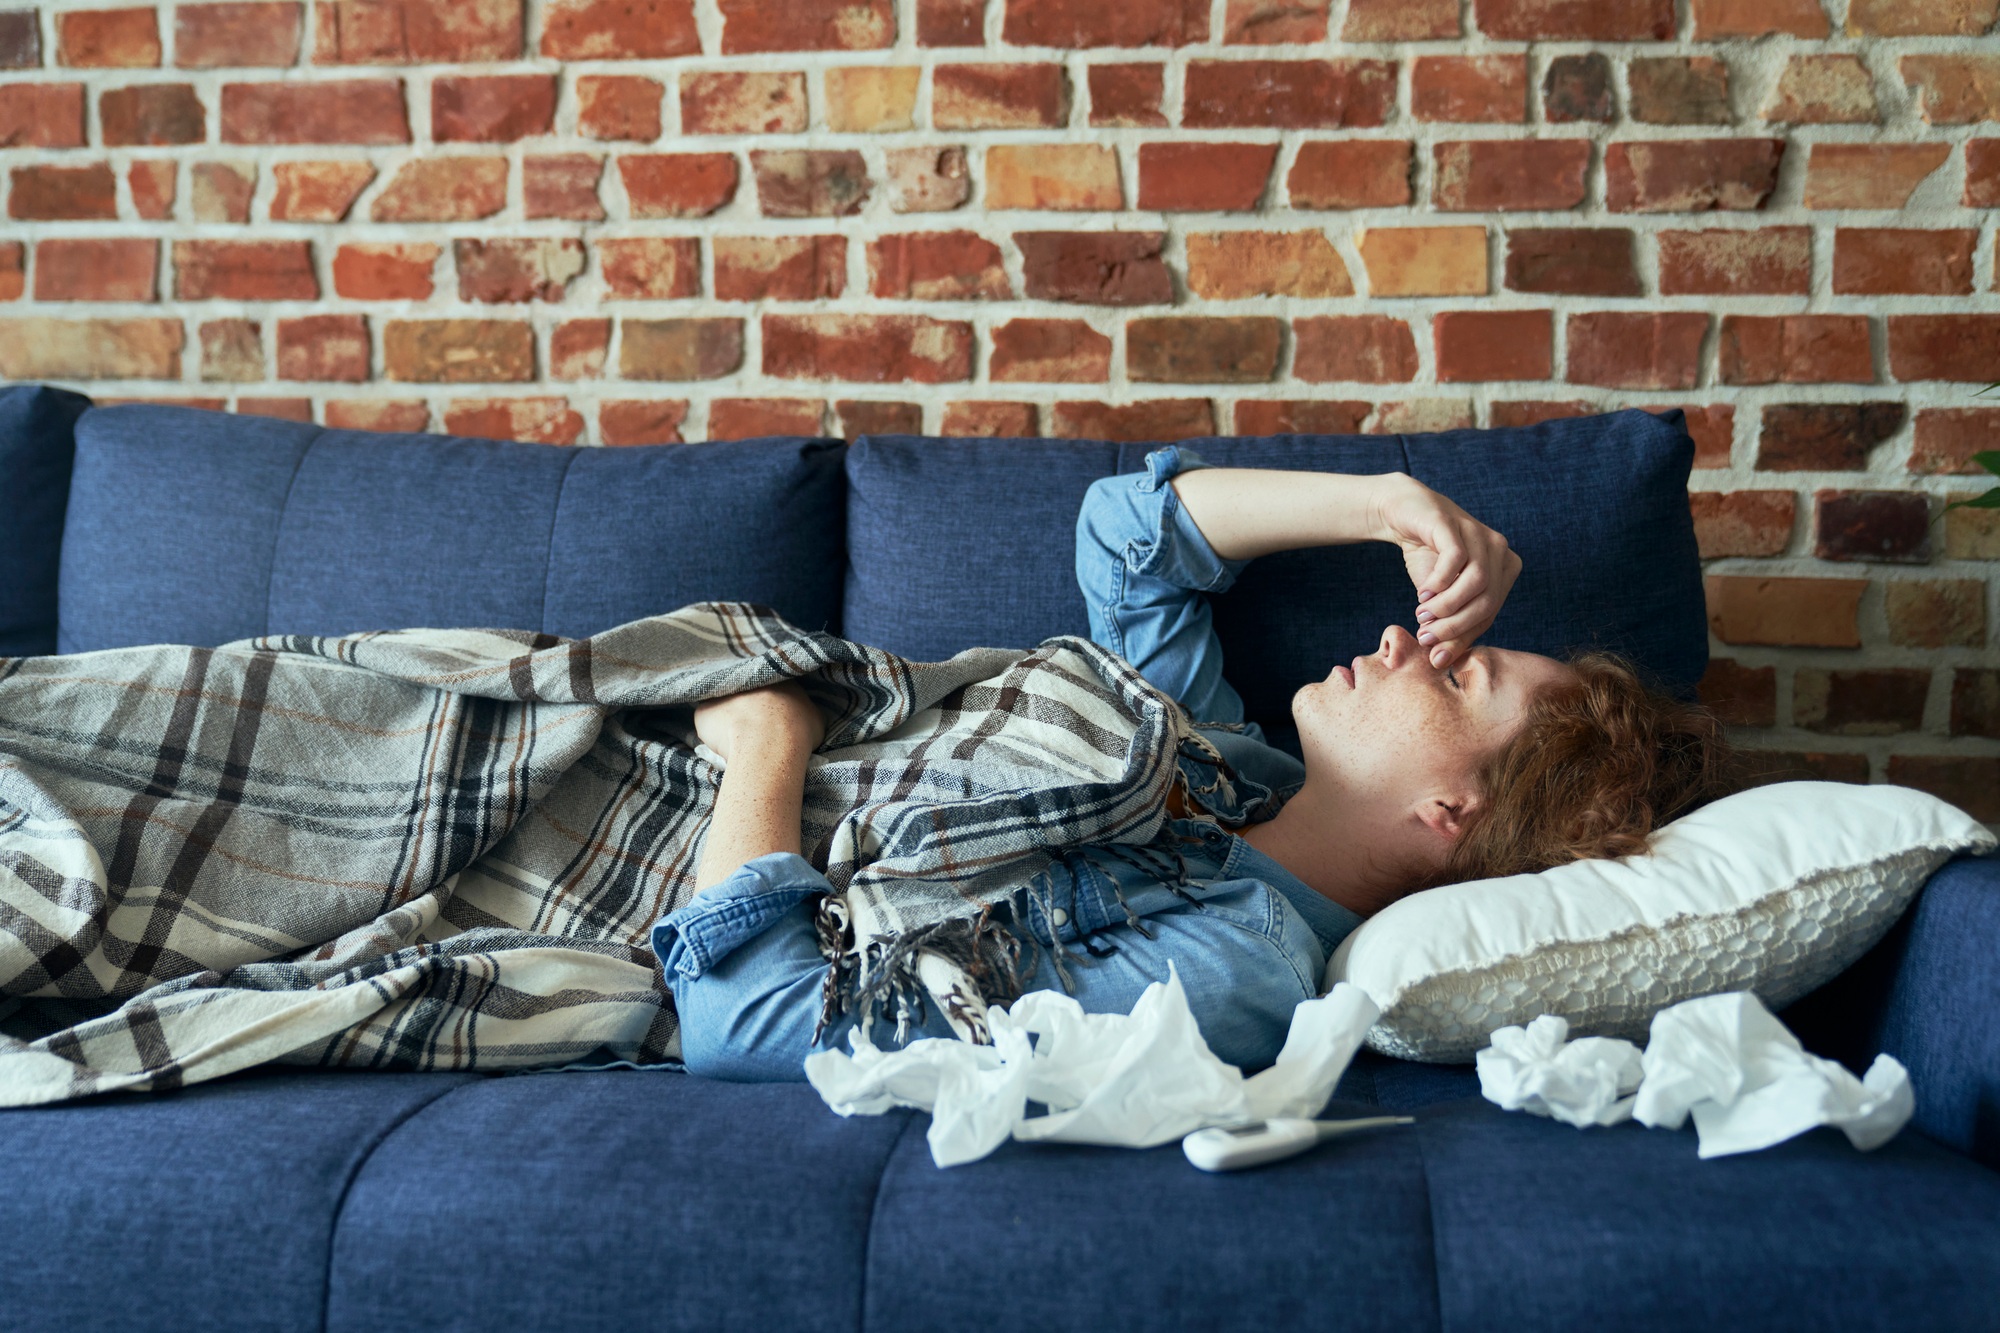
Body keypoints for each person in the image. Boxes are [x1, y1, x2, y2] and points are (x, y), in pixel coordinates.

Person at [654, 446, 1739, 1080]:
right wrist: (1386, 501)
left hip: (704, 798)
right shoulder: (1222, 766)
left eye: (1459, 679)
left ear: (1451, 809)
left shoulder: (1232, 971)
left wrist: (767, 740)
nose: (1406, 639)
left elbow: (758, 1022)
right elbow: (1127, 534)